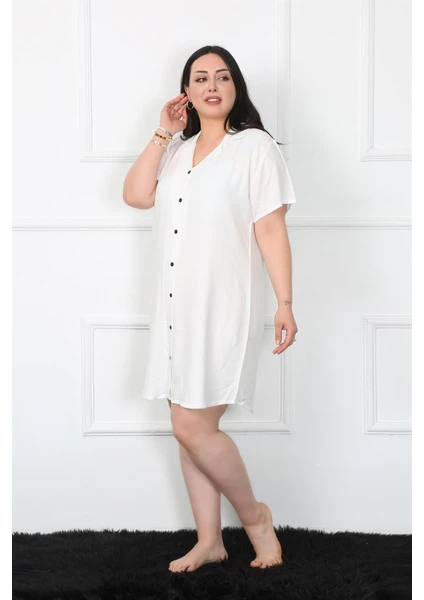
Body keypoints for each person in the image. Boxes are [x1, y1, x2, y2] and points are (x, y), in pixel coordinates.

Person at [123, 45, 298, 573]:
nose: (212, 86)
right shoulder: (178, 150)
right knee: (186, 425)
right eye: (200, 78)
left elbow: (270, 228)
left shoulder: (254, 147)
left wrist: (285, 302)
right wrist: (163, 131)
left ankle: (256, 518)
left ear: (235, 87)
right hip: (173, 307)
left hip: (222, 305)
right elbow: (136, 195)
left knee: (192, 426)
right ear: (186, 92)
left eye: (222, 77)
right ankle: (209, 541)